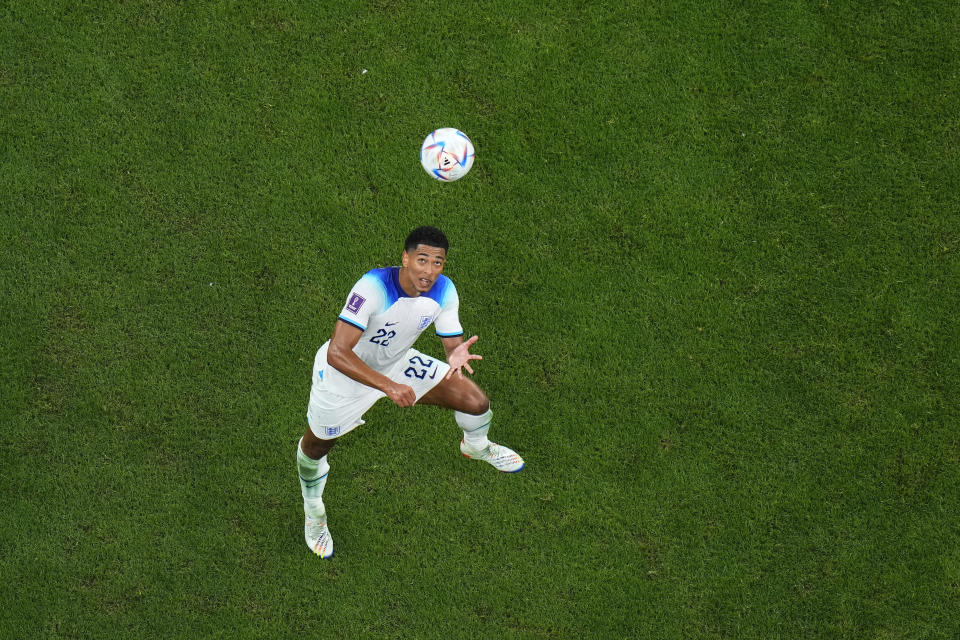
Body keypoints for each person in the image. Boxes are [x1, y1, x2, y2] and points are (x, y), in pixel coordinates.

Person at [296, 225, 524, 558]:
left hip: (398, 365)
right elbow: (337, 352)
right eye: (422, 260)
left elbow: (451, 341)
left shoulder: (444, 291)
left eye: (438, 263)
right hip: (341, 379)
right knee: (316, 447)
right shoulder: (372, 287)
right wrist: (388, 387)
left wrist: (455, 353)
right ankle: (313, 510)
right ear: (405, 258)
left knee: (476, 402)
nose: (430, 271)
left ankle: (476, 447)